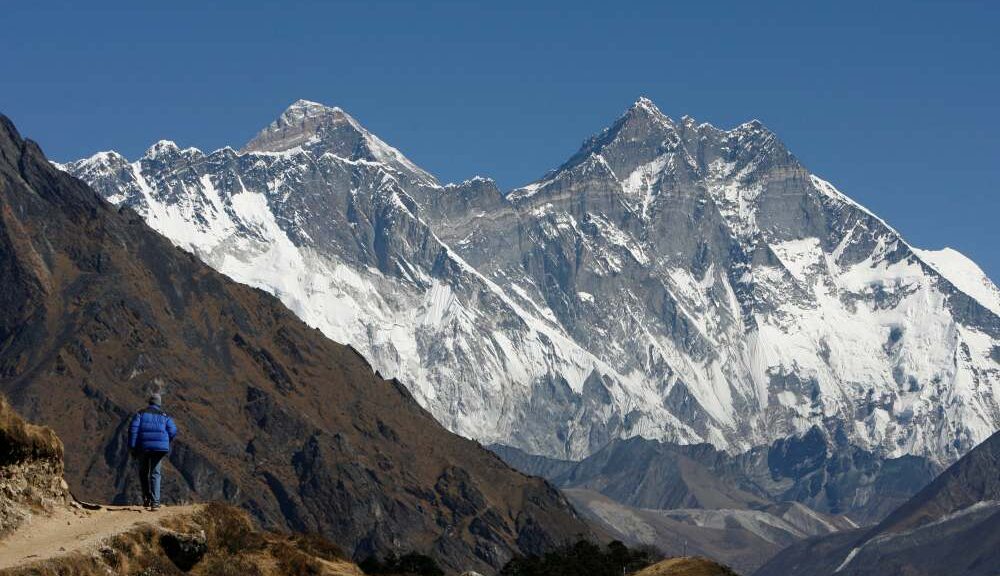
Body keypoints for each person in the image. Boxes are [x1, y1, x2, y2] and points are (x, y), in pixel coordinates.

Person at [128, 392, 178, 510]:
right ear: (159, 404)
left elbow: (133, 430)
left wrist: (133, 448)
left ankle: (146, 498)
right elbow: (173, 430)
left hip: (143, 447)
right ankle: (155, 503)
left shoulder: (140, 414)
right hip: (159, 449)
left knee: (143, 472)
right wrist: (166, 440)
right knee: (155, 473)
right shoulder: (165, 416)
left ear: (149, 402)